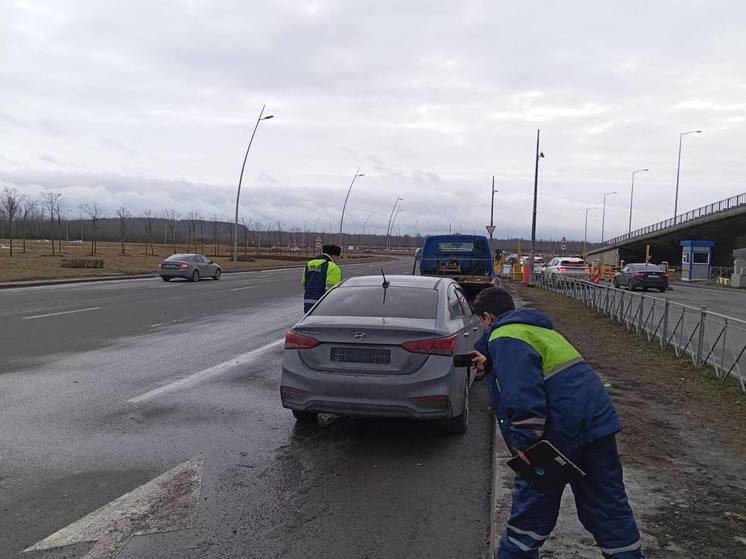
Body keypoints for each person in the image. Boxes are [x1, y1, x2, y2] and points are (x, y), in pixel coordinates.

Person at [471, 287, 644, 559]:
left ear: (487, 318)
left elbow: (523, 395)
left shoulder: (504, 337)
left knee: (531, 511)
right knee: (608, 505)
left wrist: (525, 444)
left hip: (561, 432)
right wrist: (491, 359)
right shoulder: (541, 331)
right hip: (597, 424)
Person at [301, 244, 342, 312]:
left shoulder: (310, 265)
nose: (337, 260)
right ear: (334, 255)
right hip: (325, 307)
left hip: (308, 304)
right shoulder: (333, 267)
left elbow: (303, 284)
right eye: (338, 257)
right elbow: (333, 291)